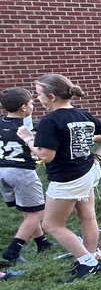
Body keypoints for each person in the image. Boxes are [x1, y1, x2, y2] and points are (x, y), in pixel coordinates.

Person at [19, 74, 101, 279]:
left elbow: (46, 156)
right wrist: (97, 156)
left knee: (51, 225)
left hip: (68, 178)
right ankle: (88, 258)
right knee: (87, 216)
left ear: (52, 96)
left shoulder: (50, 121)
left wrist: (28, 139)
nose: (38, 99)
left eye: (39, 95)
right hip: (87, 172)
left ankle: (89, 262)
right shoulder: (83, 115)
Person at [1, 87, 53, 265]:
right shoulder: (25, 130)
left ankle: (42, 243)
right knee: (38, 212)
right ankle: (13, 250)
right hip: (22, 172)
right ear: (24, 107)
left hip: (3, 171)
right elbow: (39, 151)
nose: (33, 105)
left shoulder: (1, 123)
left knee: (28, 209)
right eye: (31, 103)